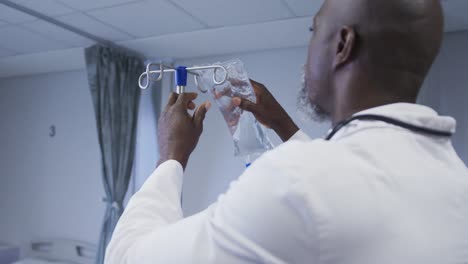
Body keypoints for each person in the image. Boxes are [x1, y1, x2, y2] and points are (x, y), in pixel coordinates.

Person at [105, 0, 468, 263]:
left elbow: (128, 255)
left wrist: (171, 155)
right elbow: (345, 189)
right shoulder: (456, 182)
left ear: (342, 45)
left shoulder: (295, 181)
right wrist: (284, 126)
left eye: (314, 31)